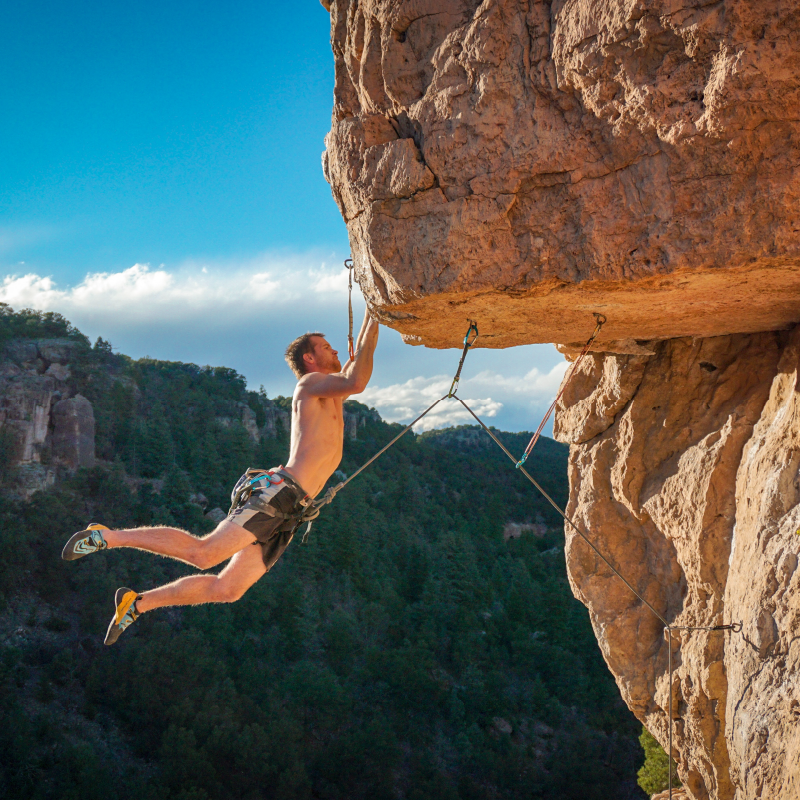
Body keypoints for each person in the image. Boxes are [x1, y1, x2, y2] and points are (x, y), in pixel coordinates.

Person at [62, 309, 379, 644]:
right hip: (280, 495)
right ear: (309, 358)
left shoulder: (331, 394)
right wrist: (376, 312)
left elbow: (354, 369)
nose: (335, 351)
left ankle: (137, 604)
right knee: (204, 554)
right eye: (326, 346)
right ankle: (107, 537)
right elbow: (356, 378)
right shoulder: (309, 384)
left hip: (293, 509)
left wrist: (370, 324)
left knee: (228, 589)